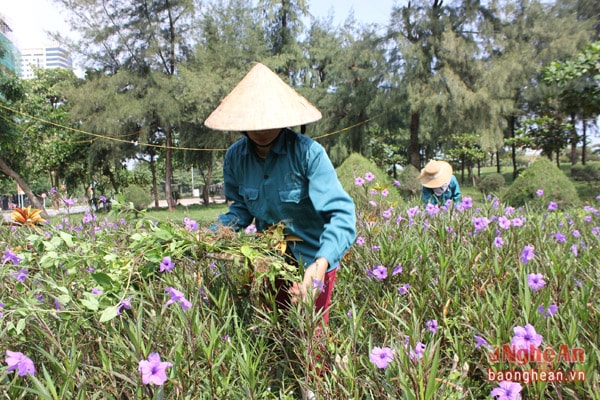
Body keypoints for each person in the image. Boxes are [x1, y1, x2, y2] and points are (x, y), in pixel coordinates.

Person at [204, 62, 356, 325]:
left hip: (313, 263)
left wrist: (320, 265)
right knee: (275, 334)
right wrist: (211, 235)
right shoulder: (235, 158)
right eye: (254, 122)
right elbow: (240, 209)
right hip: (269, 263)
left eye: (269, 121)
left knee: (311, 340)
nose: (262, 129)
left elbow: (342, 215)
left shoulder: (308, 154)